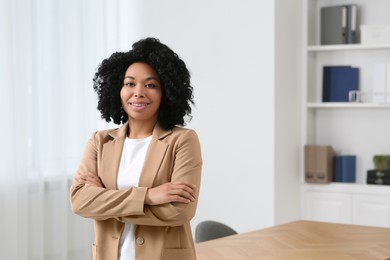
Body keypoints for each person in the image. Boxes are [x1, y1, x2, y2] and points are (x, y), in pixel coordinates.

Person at [70, 37, 202, 260]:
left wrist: (105, 201)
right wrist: (148, 196)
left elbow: (180, 211)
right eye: (130, 83)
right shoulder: (99, 142)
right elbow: (80, 201)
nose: (138, 92)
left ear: (166, 92)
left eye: (150, 85)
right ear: (117, 89)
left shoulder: (183, 140)